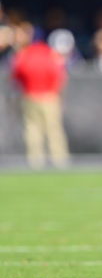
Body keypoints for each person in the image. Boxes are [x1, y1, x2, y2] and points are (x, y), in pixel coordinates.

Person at [10, 21, 70, 169]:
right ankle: (59, 161)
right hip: (48, 96)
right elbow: (59, 76)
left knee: (32, 129)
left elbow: (16, 75)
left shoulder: (24, 55)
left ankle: (35, 161)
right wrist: (56, 93)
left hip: (30, 96)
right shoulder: (49, 54)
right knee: (53, 129)